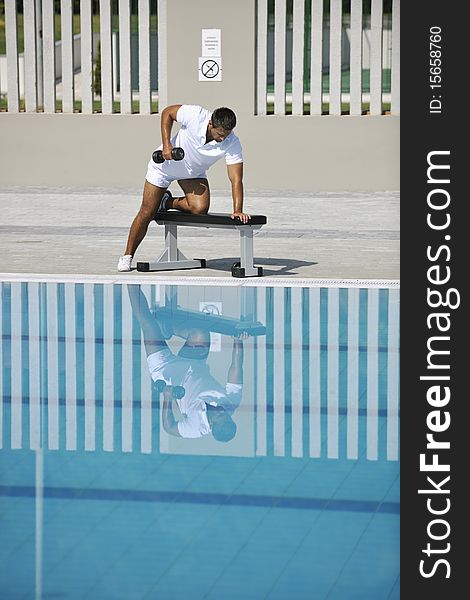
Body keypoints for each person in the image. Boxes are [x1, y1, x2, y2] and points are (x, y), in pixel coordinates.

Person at [118, 104, 251, 272]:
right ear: (211, 124)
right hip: (164, 166)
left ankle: (166, 202)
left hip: (192, 174)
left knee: (199, 208)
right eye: (219, 134)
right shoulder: (196, 115)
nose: (223, 139)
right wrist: (167, 145)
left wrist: (237, 210)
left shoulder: (232, 142)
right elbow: (167, 113)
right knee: (147, 212)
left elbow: (236, 179)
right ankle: (127, 256)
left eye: (226, 134)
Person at [127, 285, 245, 441]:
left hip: (166, 371)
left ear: (211, 424)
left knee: (147, 322)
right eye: (228, 417)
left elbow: (169, 427)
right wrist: (238, 341)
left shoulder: (196, 428)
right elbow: (236, 368)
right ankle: (167, 328)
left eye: (221, 418)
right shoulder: (231, 403)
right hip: (194, 362)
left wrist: (168, 399)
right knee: (200, 333)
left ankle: (131, 283)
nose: (224, 413)